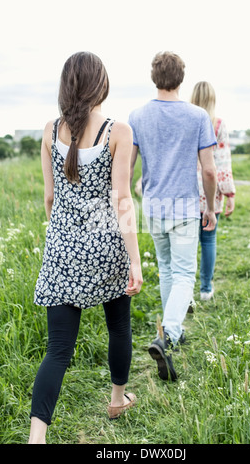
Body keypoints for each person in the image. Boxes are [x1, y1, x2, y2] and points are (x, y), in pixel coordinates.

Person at [28, 52, 143, 444]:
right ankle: (116, 399)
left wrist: (65, 236)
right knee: (119, 326)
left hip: (62, 249)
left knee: (57, 350)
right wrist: (135, 259)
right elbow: (122, 199)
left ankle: (36, 437)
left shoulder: (48, 131)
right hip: (108, 248)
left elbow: (49, 198)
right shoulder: (118, 132)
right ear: (101, 85)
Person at [129, 52, 217, 382]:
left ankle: (171, 336)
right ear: (181, 78)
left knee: (167, 269)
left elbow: (128, 168)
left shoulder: (137, 116)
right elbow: (209, 171)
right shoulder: (197, 117)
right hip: (183, 209)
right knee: (183, 273)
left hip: (153, 207)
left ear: (155, 77)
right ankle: (169, 333)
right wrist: (208, 207)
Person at [191, 81, 236, 301]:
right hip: (211, 190)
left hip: (187, 190)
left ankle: (185, 289)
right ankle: (206, 289)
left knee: (188, 241)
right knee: (209, 240)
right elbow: (222, 162)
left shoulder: (187, 122)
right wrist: (229, 194)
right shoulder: (218, 125)